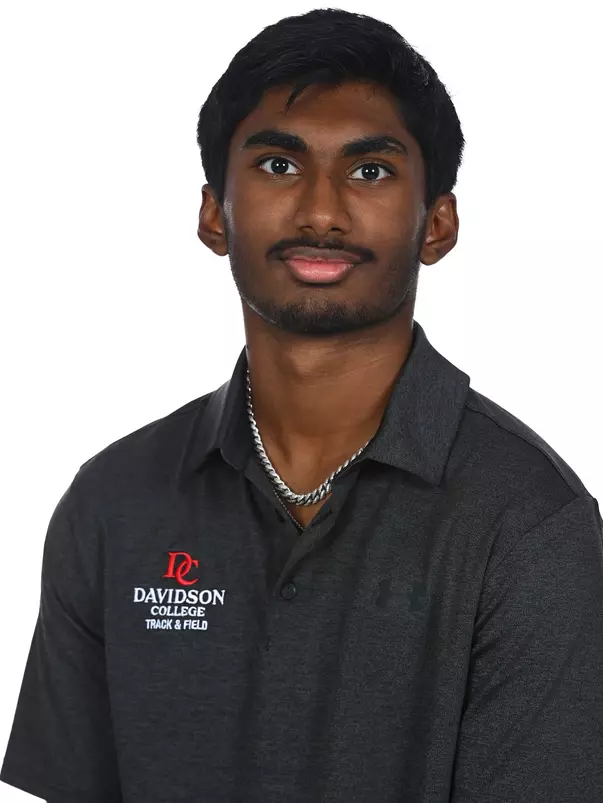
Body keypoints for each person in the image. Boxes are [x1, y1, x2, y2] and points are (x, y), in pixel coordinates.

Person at [2, 8, 602, 803]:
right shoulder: (112, 500)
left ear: (439, 223)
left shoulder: (528, 522)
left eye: (370, 170)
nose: (321, 210)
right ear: (215, 213)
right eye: (280, 166)